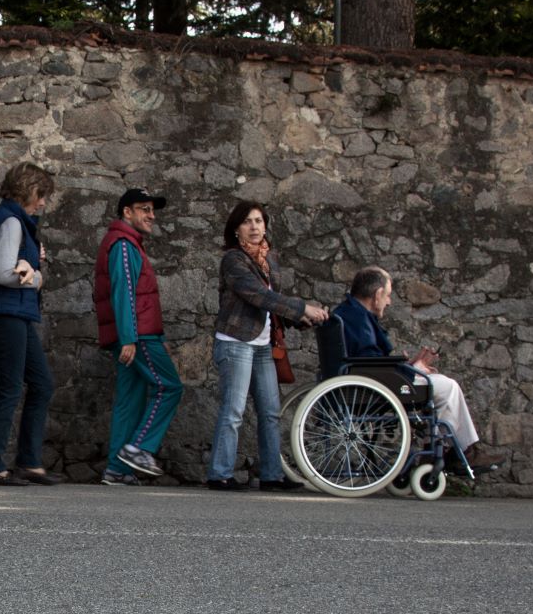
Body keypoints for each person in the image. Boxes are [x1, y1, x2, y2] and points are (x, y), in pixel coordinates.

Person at [205, 201, 329, 492]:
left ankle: (272, 474)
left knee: (271, 411)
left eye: (259, 221)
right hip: (236, 343)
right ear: (236, 229)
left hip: (262, 345)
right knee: (234, 411)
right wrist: (302, 308)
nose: (255, 227)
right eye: (248, 222)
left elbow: (275, 303)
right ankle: (219, 473)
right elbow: (258, 296)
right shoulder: (233, 261)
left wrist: (303, 319)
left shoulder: (267, 260)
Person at [331, 265, 487, 470]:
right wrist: (413, 369)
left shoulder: (348, 313)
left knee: (444, 385)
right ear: (377, 294)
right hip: (371, 386)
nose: (389, 301)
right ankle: (452, 451)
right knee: (448, 387)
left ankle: (458, 450)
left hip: (366, 380)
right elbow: (369, 362)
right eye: (387, 295)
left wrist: (409, 366)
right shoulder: (359, 319)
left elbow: (368, 359)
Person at [0, 163, 63, 487]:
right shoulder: (11, 221)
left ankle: (28, 462)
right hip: (4, 313)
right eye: (42, 196)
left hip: (18, 313)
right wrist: (36, 279)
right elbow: (2, 275)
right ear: (28, 190)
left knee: (42, 384)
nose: (43, 203)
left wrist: (33, 265)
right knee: (10, 388)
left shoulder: (20, 222)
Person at [93, 186, 184, 486]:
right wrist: (130, 337)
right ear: (126, 212)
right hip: (138, 337)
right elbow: (124, 292)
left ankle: (117, 468)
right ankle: (139, 448)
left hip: (137, 334)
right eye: (144, 209)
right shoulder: (122, 244)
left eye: (152, 209)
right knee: (169, 387)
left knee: (130, 400)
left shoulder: (129, 243)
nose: (151, 215)